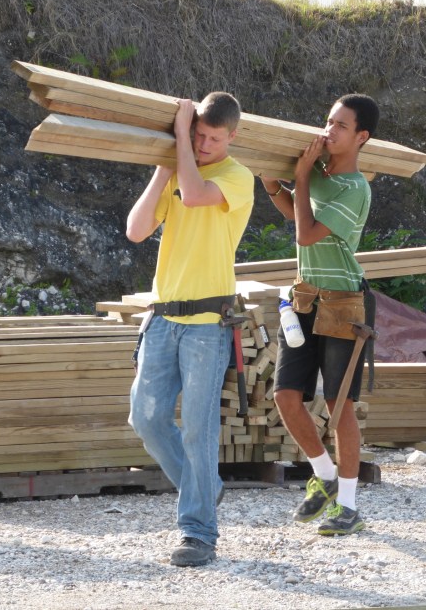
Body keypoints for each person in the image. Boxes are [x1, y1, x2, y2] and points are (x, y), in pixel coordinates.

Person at [126, 93, 254, 566]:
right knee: (145, 418)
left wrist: (179, 138)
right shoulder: (178, 167)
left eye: (213, 138)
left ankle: (198, 533)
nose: (202, 144)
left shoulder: (237, 177)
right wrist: (164, 162)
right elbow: (136, 230)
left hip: (206, 324)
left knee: (199, 432)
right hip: (162, 318)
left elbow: (197, 195)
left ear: (232, 137)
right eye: (197, 134)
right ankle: (206, 488)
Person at [259, 94, 379, 536]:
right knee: (285, 396)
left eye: (341, 126)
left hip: (344, 303)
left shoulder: (355, 188)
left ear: (361, 136)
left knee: (338, 404)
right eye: (328, 121)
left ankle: (348, 504)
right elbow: (297, 213)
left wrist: (301, 175)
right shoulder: (323, 175)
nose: (329, 131)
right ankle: (324, 473)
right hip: (306, 297)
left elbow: (306, 236)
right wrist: (276, 184)